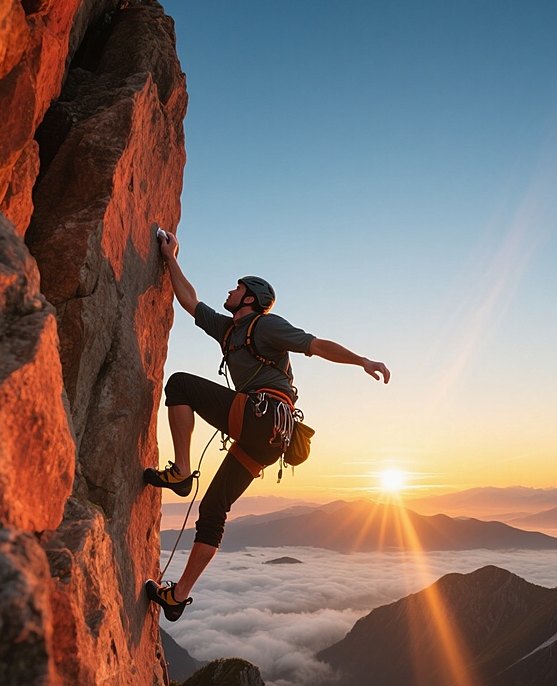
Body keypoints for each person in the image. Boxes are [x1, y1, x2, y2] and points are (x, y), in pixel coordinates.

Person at [144, 230, 390, 621]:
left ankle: (181, 473)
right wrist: (170, 257)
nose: (229, 290)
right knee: (212, 510)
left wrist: (363, 361)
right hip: (270, 437)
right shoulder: (228, 330)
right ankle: (177, 598)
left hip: (260, 414)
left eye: (236, 288)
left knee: (180, 386)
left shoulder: (265, 325)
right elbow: (189, 300)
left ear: (251, 298)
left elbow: (316, 344)